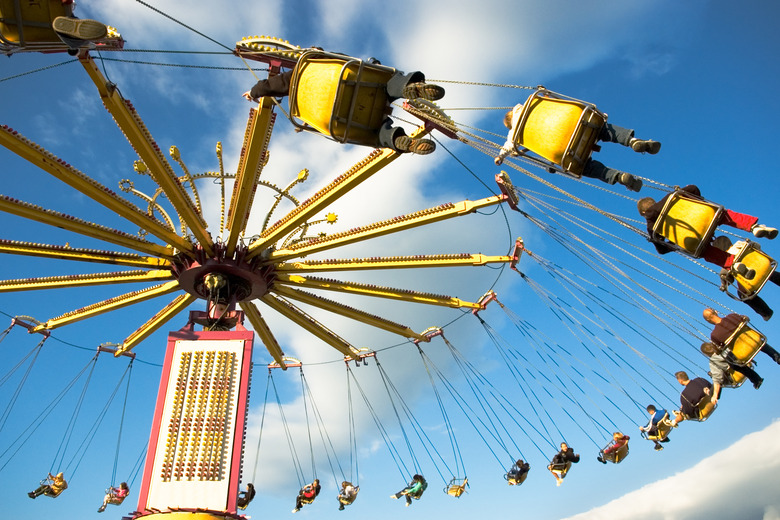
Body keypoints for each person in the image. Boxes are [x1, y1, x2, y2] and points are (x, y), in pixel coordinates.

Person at [242, 54, 444, 155]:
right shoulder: (320, 63)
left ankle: (397, 140)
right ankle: (409, 88)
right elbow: (349, 61)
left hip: (334, 117)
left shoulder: (291, 79)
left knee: (376, 135)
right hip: (350, 81)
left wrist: (253, 92)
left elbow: (268, 86)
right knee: (388, 82)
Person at [494, 100, 659, 192]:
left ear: (510, 125)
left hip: (566, 150)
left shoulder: (515, 134)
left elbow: (508, 147)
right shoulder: (532, 105)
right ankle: (633, 141)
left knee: (585, 168)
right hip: (577, 124)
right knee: (603, 130)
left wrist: (500, 156)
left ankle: (618, 177)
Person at [637, 185, 777, 270]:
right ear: (653, 201)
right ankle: (753, 226)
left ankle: (732, 265)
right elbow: (693, 188)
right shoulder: (670, 198)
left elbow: (661, 249)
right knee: (724, 215)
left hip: (691, 238)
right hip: (704, 218)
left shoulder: (651, 226)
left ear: (644, 213)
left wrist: (674, 242)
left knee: (705, 252)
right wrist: (697, 201)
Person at [703, 308, 780, 358]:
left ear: (708, 321)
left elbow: (720, 350)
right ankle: (776, 356)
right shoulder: (732, 316)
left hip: (742, 353)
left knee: (730, 358)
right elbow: (746, 318)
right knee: (755, 340)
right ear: (716, 312)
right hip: (755, 340)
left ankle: (754, 378)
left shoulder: (714, 335)